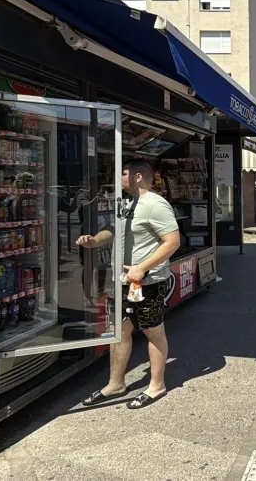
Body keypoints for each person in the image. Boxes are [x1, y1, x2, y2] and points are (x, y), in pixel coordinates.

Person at [79, 159, 180, 409]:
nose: (118, 178)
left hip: (148, 282)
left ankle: (157, 385)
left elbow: (173, 241)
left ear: (137, 177)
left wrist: (143, 267)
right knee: (120, 331)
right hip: (123, 281)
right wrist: (95, 240)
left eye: (123, 173)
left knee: (153, 331)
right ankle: (116, 384)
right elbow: (113, 230)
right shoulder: (124, 204)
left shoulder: (156, 205)